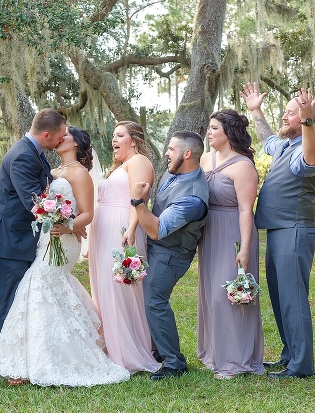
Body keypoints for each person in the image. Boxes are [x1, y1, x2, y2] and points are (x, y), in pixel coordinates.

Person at [0, 126, 130, 387]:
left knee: (41, 282)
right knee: (46, 288)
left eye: (65, 135)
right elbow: (41, 204)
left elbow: (88, 213)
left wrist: (70, 227)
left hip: (64, 240)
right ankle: (30, 359)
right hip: (46, 237)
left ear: (75, 144)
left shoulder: (80, 174)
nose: (59, 137)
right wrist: (53, 219)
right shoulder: (52, 172)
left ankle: (50, 359)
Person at [241, 82, 315, 379]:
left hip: (295, 229)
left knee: (293, 297)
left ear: (304, 117)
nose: (284, 117)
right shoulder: (285, 146)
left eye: (290, 113)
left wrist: (307, 121)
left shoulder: (307, 148)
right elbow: (266, 140)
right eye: (286, 113)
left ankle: (301, 366)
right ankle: (290, 354)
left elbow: (312, 160)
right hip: (276, 231)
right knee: (279, 296)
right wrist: (256, 111)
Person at [0, 109, 67, 360]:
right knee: (4, 303)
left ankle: (13, 358)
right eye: (61, 135)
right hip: (8, 240)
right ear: (47, 134)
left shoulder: (35, 153)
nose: (62, 139)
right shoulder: (22, 155)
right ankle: (0, 360)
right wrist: (68, 220)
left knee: (16, 301)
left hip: (19, 239)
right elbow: (35, 201)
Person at [130, 131, 209, 379]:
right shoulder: (175, 171)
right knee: (148, 300)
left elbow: (156, 230)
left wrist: (137, 201)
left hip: (171, 254)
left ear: (187, 154)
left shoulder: (192, 198)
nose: (166, 153)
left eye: (172, 149)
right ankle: (155, 350)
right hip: (157, 249)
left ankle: (174, 363)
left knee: (155, 301)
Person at [87, 121, 161, 374]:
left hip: (121, 230)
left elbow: (136, 200)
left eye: (120, 135)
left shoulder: (139, 161)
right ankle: (113, 343)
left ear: (135, 140)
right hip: (104, 231)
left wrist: (131, 229)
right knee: (104, 290)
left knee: (120, 290)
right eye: (113, 136)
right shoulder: (118, 167)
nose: (114, 140)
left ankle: (130, 350)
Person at [197, 110, 265, 379]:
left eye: (214, 128)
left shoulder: (243, 166)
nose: (209, 132)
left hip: (235, 233)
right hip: (210, 233)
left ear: (228, 131)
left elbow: (246, 211)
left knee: (230, 296)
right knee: (210, 294)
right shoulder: (203, 159)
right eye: (209, 128)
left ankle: (236, 360)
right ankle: (215, 353)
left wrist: (245, 248)